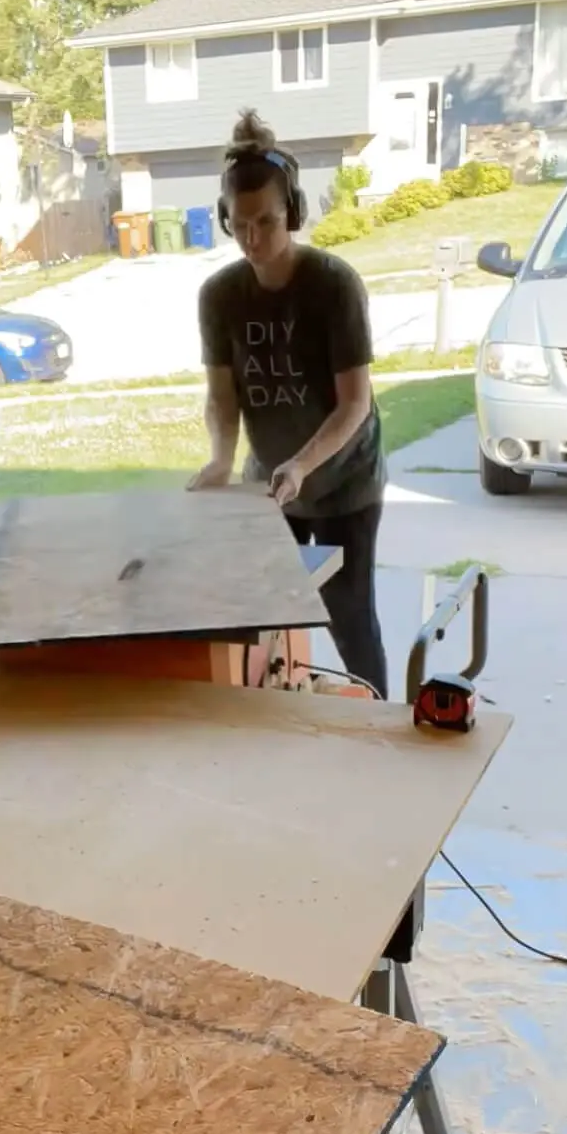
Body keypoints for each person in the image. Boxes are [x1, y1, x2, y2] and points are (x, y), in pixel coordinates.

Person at [189, 110, 389, 700]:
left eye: (268, 222)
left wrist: (304, 464)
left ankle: (378, 726)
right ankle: (273, 728)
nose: (253, 239)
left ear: (294, 213)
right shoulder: (220, 295)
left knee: (349, 619)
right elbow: (222, 399)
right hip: (269, 486)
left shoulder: (334, 284)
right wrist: (222, 461)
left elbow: (354, 403)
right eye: (241, 224)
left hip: (346, 485)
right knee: (259, 620)